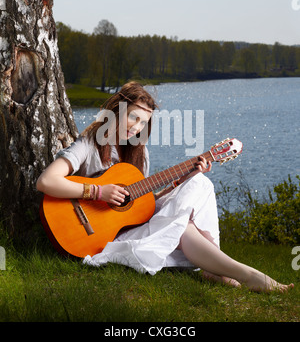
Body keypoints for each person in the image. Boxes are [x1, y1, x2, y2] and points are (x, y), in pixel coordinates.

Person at [36, 81, 294, 293]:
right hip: (98, 238)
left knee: (199, 184)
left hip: (126, 226)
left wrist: (183, 179)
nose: (135, 127)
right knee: (182, 226)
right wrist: (98, 192)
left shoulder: (140, 154)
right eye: (132, 117)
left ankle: (233, 272)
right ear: (116, 109)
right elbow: (46, 182)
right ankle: (240, 273)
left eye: (142, 123)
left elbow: (141, 202)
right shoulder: (89, 144)